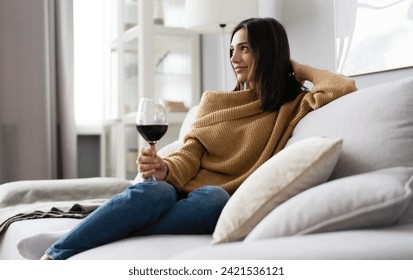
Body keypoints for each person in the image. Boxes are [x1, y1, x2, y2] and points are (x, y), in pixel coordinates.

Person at [41, 17, 356, 260]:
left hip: (208, 204)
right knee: (158, 193)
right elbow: (189, 153)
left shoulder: (292, 106)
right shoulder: (215, 102)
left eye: (245, 48)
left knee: (214, 198)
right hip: (176, 191)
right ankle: (55, 254)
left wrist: (296, 68)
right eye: (232, 49)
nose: (234, 58)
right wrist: (165, 170)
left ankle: (102, 228)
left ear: (269, 51)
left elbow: (343, 88)